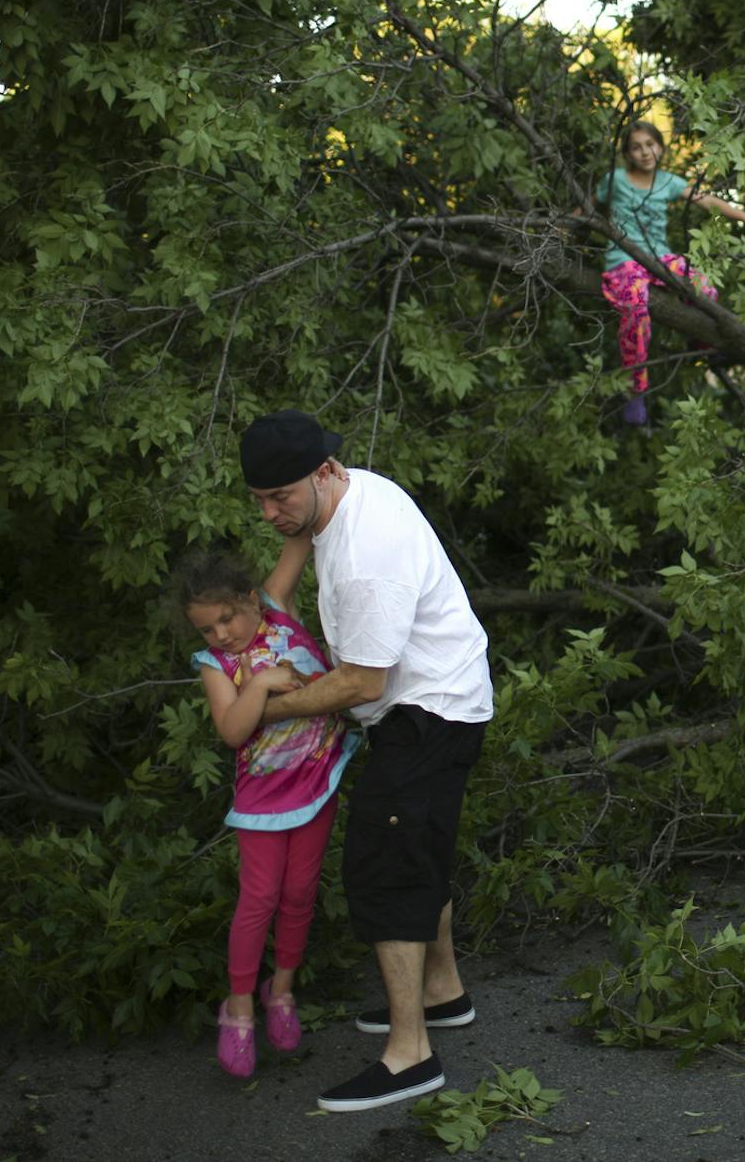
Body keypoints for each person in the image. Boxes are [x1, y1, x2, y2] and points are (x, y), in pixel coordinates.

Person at [237, 409, 494, 1113]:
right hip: (445, 697)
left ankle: (410, 1056)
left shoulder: (365, 554)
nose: (268, 513)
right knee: (418, 850)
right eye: (258, 499)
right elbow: (277, 592)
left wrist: (265, 708)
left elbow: (361, 684)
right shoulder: (339, 497)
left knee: (385, 871)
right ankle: (442, 994)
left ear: (324, 471)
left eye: (279, 497)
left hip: (426, 709)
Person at [173, 538, 358, 1079]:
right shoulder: (218, 665)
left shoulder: (278, 606)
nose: (223, 634)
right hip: (261, 803)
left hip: (318, 782)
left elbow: (302, 534)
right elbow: (233, 730)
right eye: (208, 628)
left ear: (251, 598)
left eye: (228, 618)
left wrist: (319, 471)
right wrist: (259, 682)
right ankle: (239, 1007)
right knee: (260, 899)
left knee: (300, 893)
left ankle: (280, 991)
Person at [593, 120, 745, 426]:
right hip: (623, 260)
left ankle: (698, 341)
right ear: (626, 153)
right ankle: (636, 390)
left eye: (650, 144)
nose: (645, 152)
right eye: (636, 147)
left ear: (660, 147)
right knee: (635, 309)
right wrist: (560, 229)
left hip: (659, 257)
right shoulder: (616, 179)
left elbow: (708, 201)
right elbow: (589, 209)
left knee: (703, 286)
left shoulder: (667, 182)